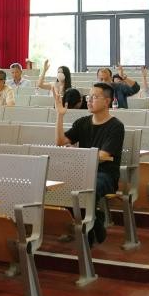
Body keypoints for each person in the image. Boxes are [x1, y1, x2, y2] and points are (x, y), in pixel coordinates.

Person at [54, 82, 124, 243]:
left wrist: (76, 153)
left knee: (85, 188)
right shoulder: (82, 122)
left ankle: (89, 229)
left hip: (105, 174)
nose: (89, 100)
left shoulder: (116, 126)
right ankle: (95, 221)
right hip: (82, 171)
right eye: (88, 97)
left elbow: (103, 155)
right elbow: (60, 141)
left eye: (94, 97)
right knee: (62, 187)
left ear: (107, 101)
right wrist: (60, 115)